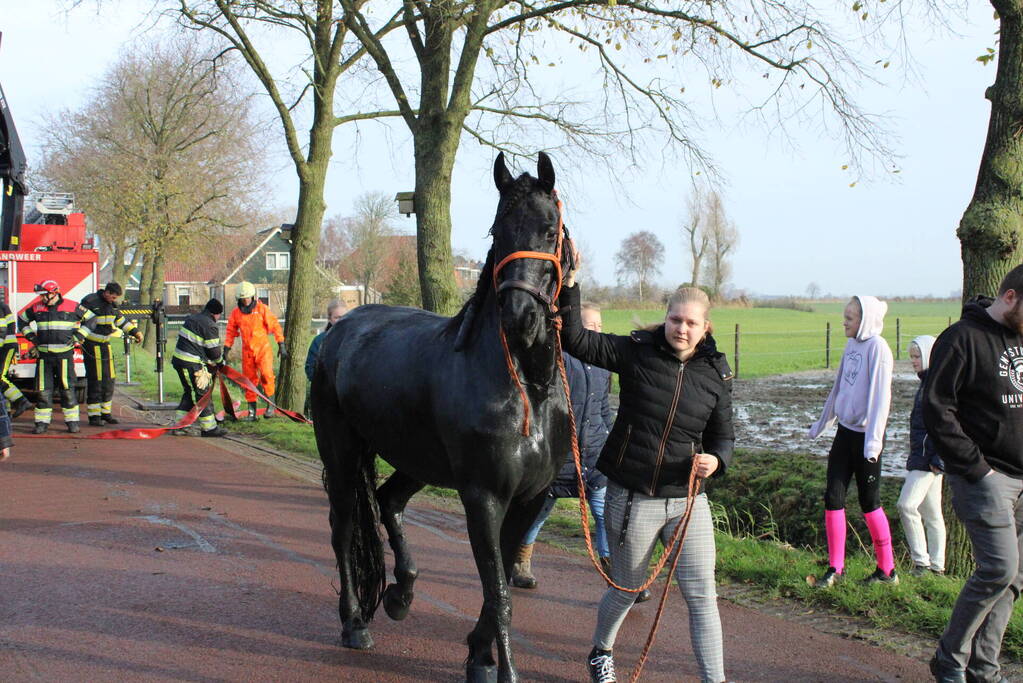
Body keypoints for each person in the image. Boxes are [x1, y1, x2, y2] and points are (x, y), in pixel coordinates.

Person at [559, 245, 734, 683]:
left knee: (702, 597)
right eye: (675, 319)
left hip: (688, 502)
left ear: (705, 328)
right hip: (633, 497)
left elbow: (724, 436)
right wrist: (570, 284)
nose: (682, 328)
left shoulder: (716, 374)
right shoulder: (636, 352)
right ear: (666, 318)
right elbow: (575, 339)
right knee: (627, 588)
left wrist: (716, 460)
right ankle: (601, 651)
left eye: (691, 323)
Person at [924, 265, 1023, 683]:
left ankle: (984, 668)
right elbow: (936, 409)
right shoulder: (961, 339)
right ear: (1011, 297)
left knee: (1014, 579)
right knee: (998, 569)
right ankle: (950, 659)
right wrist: (978, 469)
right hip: (986, 477)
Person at [510, 303, 647, 597]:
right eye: (589, 325)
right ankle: (520, 560)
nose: (596, 330)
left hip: (594, 456)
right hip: (559, 456)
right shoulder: (557, 360)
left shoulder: (603, 365)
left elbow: (602, 408)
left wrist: (608, 438)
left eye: (599, 326)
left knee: (605, 516)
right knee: (538, 514)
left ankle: (616, 575)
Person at [808, 296, 896, 588]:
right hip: (844, 434)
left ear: (865, 319)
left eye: (849, 318)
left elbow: (881, 399)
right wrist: (821, 425)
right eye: (844, 316)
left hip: (867, 439)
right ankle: (836, 568)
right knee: (833, 496)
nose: (844, 322)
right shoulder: (850, 346)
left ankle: (887, 571)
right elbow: (838, 388)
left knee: (870, 503)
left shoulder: (878, 348)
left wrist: (873, 443)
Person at [896, 335, 946, 577]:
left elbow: (946, 425)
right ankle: (937, 567)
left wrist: (938, 459)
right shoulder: (927, 383)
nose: (913, 361)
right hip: (924, 457)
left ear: (929, 355)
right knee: (933, 514)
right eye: (912, 357)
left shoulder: (937, 386)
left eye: (917, 356)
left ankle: (921, 563)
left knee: (906, 505)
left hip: (928, 461)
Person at [19, 280, 94, 434]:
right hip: (44, 357)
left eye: (44, 295)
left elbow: (92, 319)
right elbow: (22, 320)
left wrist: (79, 336)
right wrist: (31, 337)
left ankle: (72, 423)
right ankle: (41, 423)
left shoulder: (72, 306)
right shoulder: (37, 307)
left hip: (64, 357)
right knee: (43, 391)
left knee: (67, 390)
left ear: (54, 293)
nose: (42, 298)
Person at [79, 282, 143, 426]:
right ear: (106, 292)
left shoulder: (112, 305)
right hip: (91, 345)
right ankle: (94, 416)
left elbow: (121, 321)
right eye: (113, 297)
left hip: (105, 345)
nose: (114, 300)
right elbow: (77, 319)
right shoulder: (90, 301)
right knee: (96, 380)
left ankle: (105, 413)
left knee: (109, 380)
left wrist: (135, 332)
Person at [224, 282, 286, 420]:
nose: (245, 301)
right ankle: (252, 412)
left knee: (267, 376)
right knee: (248, 381)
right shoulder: (236, 313)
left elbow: (275, 326)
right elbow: (230, 331)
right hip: (247, 352)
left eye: (247, 298)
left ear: (252, 296)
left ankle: (271, 406)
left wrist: (281, 343)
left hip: (263, 349)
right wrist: (226, 349)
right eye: (243, 298)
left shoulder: (262, 309)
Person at [171, 298, 226, 437]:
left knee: (189, 392)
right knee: (203, 395)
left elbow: (197, 344)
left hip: (180, 360)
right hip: (190, 363)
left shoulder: (192, 318)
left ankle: (180, 425)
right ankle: (209, 429)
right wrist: (220, 363)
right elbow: (214, 352)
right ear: (216, 314)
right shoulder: (210, 325)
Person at [0, 298, 32, 419]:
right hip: (6, 345)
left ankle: (21, 401)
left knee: (0, 377)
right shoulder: (2, 306)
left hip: (5, 345)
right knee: (4, 377)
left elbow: (2, 330)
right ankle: (6, 410)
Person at [305, 300, 347, 382]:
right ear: (330, 319)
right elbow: (310, 368)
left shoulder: (356, 340)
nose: (341, 320)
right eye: (337, 317)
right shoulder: (319, 341)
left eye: (344, 316)